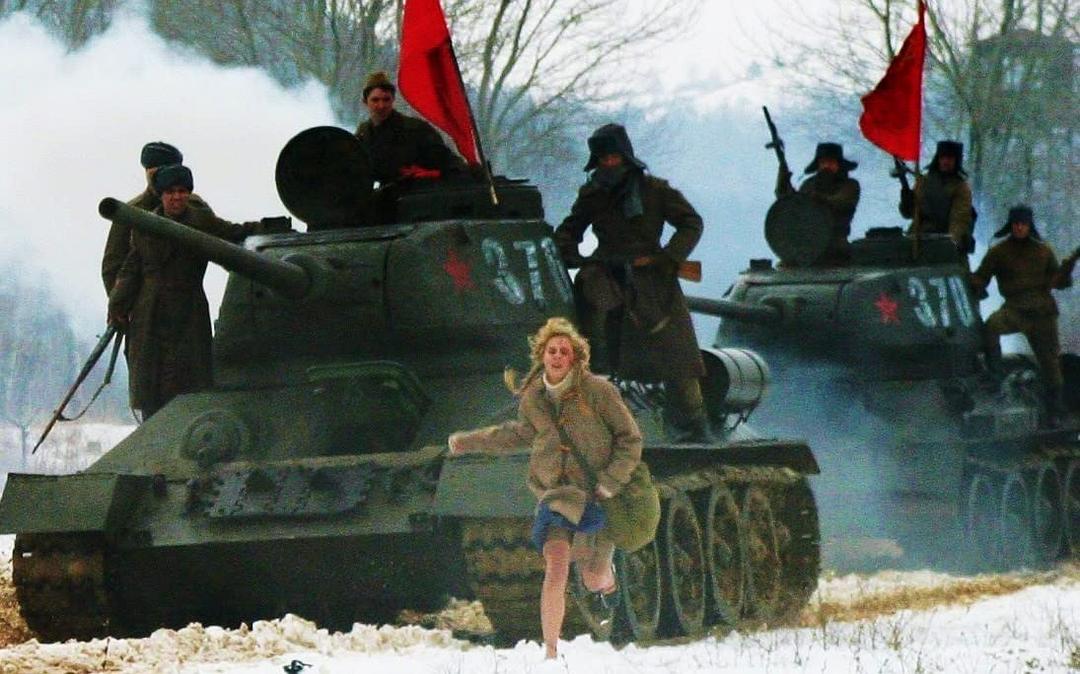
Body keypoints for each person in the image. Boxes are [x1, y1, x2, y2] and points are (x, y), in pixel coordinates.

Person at [447, 317, 642, 661]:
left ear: (575, 357)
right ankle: (551, 652)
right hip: (556, 495)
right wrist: (469, 441)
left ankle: (609, 586)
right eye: (552, 351)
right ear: (542, 355)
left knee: (592, 576)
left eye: (564, 351)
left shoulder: (598, 391)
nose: (557, 357)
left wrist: (612, 481)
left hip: (596, 492)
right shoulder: (533, 397)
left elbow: (630, 438)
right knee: (556, 565)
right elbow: (519, 434)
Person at [554, 123, 708, 442]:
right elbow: (570, 229)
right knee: (594, 327)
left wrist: (669, 257)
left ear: (626, 157)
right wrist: (573, 255)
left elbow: (691, 222)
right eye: (603, 159)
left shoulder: (655, 190)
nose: (609, 164)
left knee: (678, 355)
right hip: (607, 273)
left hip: (652, 278)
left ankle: (696, 422)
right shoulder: (593, 193)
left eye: (614, 157)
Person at [107, 164, 261, 419]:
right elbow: (131, 268)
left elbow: (232, 233)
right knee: (152, 387)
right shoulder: (144, 225)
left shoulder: (200, 221)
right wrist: (117, 305)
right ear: (161, 195)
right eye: (170, 192)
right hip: (150, 316)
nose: (176, 197)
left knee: (189, 385)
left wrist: (264, 228)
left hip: (188, 313)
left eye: (182, 191)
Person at [970, 205, 1077, 426]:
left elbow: (1060, 282)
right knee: (991, 326)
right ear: (1011, 225)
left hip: (1042, 312)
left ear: (1029, 226)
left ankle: (1055, 410)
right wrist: (975, 286)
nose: (1020, 228)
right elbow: (981, 276)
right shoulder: (998, 252)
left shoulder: (1043, 251)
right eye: (1016, 224)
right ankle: (995, 375)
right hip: (1015, 309)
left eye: (1024, 224)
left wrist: (1068, 267)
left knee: (1050, 364)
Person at [101, 141, 211, 294]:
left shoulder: (194, 206)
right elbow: (113, 266)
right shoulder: (130, 213)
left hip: (187, 298)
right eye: (153, 174)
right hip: (145, 302)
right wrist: (123, 303)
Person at [353, 71, 466, 187]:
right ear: (365, 102)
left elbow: (453, 165)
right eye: (375, 100)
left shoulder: (416, 130)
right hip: (386, 193)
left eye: (386, 99)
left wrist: (432, 174)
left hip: (418, 191)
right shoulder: (363, 134)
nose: (381, 106)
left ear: (393, 100)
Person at [777, 142, 860, 265]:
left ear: (839, 164)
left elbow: (842, 201)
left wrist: (820, 199)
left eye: (831, 162)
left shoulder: (850, 185)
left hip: (837, 248)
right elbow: (796, 207)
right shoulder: (809, 185)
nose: (826, 166)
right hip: (807, 246)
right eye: (823, 162)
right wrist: (784, 187)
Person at [899, 140, 974, 255]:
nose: (946, 161)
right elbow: (909, 213)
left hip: (943, 240)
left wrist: (950, 244)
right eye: (943, 157)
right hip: (917, 240)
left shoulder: (961, 188)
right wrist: (906, 199)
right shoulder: (924, 181)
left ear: (956, 161)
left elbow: (959, 220)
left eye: (950, 158)